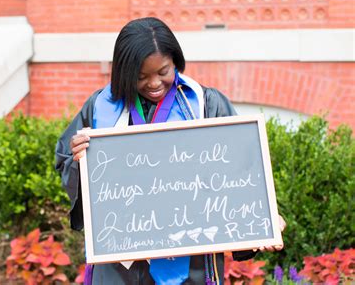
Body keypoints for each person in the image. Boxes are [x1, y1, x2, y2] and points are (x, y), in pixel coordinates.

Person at [55, 17, 285, 284]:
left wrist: (260, 222)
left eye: (163, 71)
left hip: (191, 268)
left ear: (175, 61)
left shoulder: (206, 105)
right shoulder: (100, 107)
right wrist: (79, 161)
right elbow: (66, 163)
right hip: (120, 268)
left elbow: (240, 175)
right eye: (141, 76)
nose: (154, 83)